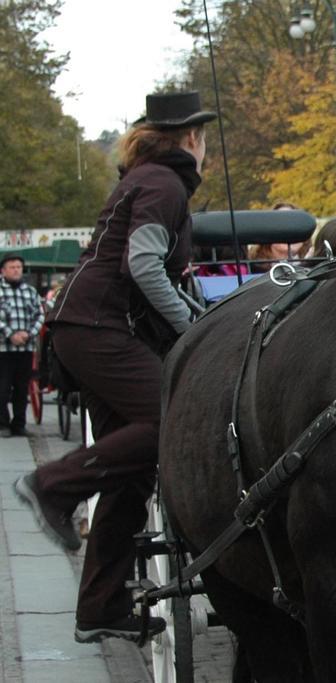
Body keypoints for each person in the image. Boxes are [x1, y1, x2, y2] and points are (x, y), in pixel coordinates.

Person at [12, 91, 214, 643]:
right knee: (170, 422)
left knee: (128, 469)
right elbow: (145, 267)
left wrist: (201, 315)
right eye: (206, 139)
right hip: (100, 327)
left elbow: (153, 276)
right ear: (192, 139)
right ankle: (51, 485)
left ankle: (99, 606)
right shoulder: (163, 184)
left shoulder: (146, 177)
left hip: (84, 326)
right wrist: (193, 329)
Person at [1, 253, 44, 437]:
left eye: (18, 267)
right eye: (12, 267)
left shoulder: (30, 291)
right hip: (3, 349)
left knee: (21, 388)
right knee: (2, 388)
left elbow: (40, 315)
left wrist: (29, 333)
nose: (16, 270)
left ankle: (19, 424)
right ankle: (2, 424)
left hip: (26, 348)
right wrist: (10, 334)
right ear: (3, 271)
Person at [248, 202, 309, 271]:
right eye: (282, 224)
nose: (290, 230)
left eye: (296, 224)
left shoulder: (315, 265)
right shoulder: (251, 267)